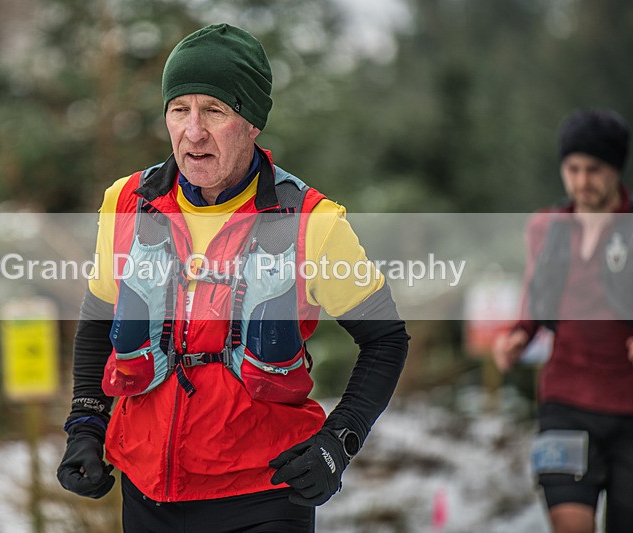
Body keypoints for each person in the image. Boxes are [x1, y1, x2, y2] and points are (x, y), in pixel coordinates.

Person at [57, 23, 409, 532]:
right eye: (179, 110)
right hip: (147, 494)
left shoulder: (312, 222)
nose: (193, 132)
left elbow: (386, 339)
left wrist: (340, 441)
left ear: (251, 123)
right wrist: (86, 424)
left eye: (214, 111)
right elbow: (98, 320)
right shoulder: (128, 203)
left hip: (262, 497)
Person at [493, 108, 633, 533]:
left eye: (594, 169)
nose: (582, 181)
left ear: (616, 170)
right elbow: (536, 296)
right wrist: (518, 334)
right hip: (565, 402)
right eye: (572, 169)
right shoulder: (546, 227)